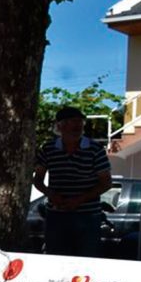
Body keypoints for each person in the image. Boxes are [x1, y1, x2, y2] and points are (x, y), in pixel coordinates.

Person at [33, 106, 113, 258]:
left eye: (80, 122)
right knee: (56, 259)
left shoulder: (95, 149)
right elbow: (37, 179)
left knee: (86, 260)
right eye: (72, 122)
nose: (78, 126)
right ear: (60, 126)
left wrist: (79, 200)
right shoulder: (48, 149)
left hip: (88, 216)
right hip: (56, 215)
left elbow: (106, 182)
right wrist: (51, 194)